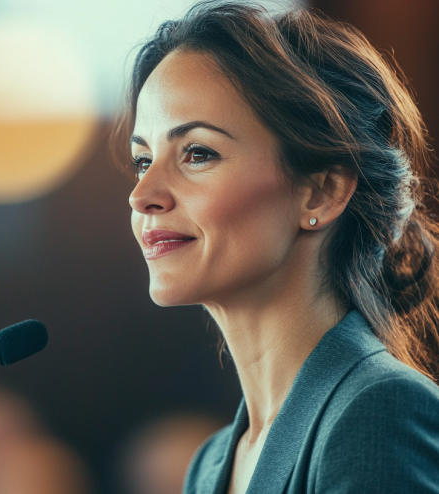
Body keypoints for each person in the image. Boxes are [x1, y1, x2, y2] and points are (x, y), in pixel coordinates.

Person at [116, 1, 439, 493]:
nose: (142, 195)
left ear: (322, 191)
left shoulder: (380, 410)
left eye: (197, 152)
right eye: (143, 160)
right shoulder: (208, 467)